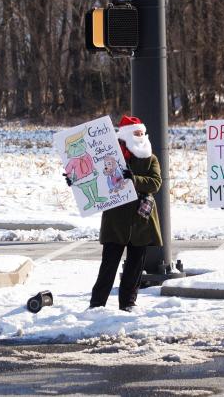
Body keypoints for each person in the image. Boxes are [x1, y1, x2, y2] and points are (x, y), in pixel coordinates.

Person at [84, 115, 162, 311]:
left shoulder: (151, 158)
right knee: (108, 265)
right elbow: (93, 175)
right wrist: (74, 178)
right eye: (136, 133)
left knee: (135, 267)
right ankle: (96, 304)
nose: (140, 136)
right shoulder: (111, 156)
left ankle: (128, 303)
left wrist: (135, 179)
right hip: (115, 219)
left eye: (142, 133)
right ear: (126, 134)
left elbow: (156, 183)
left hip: (140, 220)